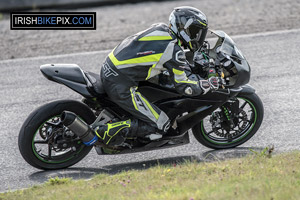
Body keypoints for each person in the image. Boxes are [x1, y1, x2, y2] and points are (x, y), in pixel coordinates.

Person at [93, 6, 219, 146]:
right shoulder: (173, 50)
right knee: (161, 124)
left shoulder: (160, 28)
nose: (198, 36)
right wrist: (206, 84)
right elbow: (184, 86)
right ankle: (102, 131)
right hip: (120, 83)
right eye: (195, 31)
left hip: (110, 69)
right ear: (184, 29)